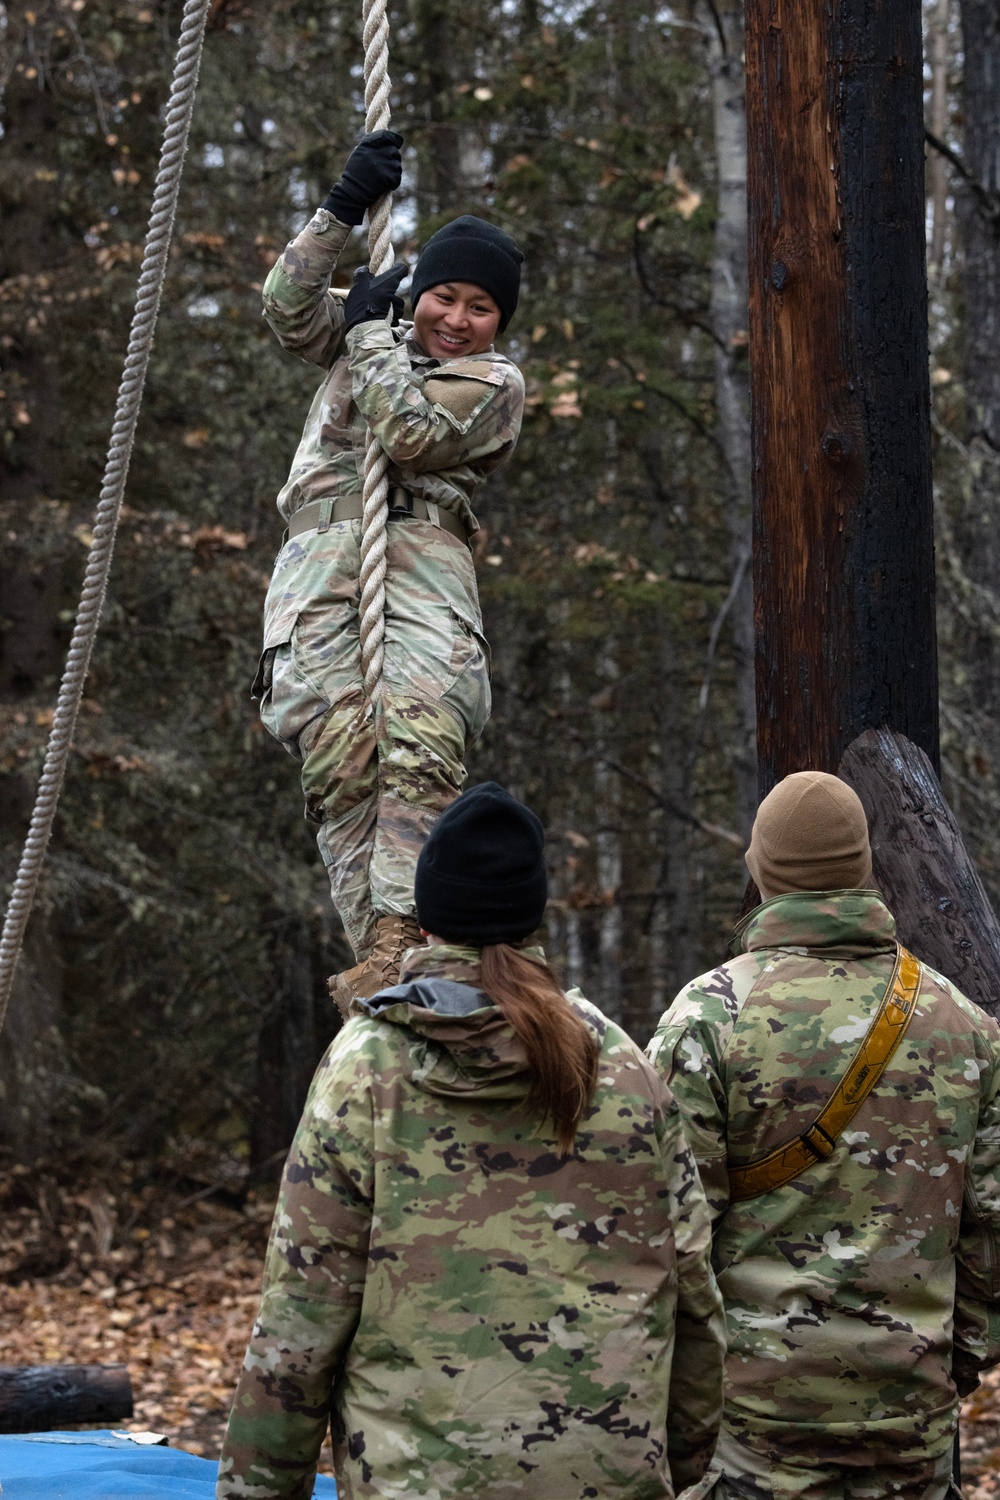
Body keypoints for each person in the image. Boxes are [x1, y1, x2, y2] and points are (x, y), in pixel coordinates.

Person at [217, 781, 727, 1500]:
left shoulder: (366, 1068)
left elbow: (299, 1323)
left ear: (427, 919)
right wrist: (680, 1464)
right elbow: (694, 1301)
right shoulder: (621, 1064)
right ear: (532, 919)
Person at [647, 770, 1000, 1500]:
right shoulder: (962, 1024)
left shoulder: (709, 1019)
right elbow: (992, 1234)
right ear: (863, 869)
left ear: (762, 870)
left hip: (750, 1431)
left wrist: (687, 1405)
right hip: (913, 1422)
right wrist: (950, 1370)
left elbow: (669, 1240)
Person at [253, 130, 526, 1008]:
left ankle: (417, 943)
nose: (454, 318)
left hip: (419, 572)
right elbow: (287, 308)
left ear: (498, 323)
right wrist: (340, 210)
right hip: (317, 566)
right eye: (443, 296)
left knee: (416, 747)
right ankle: (380, 951)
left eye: (478, 306)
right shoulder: (372, 329)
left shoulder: (492, 383)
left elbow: (409, 434)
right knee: (337, 758)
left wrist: (373, 331)